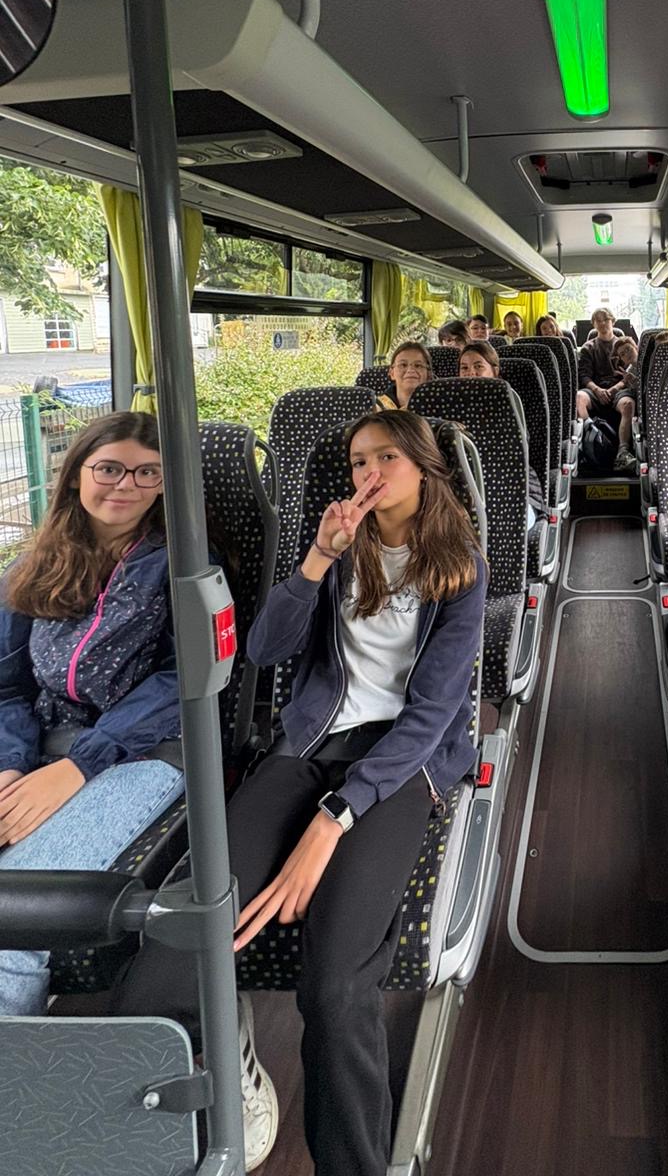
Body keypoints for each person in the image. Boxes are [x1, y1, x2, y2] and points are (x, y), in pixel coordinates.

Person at [114, 409, 486, 1176]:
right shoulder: (340, 550)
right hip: (307, 745)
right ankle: (201, 1082)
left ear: (423, 468)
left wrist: (336, 817)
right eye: (357, 461)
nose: (369, 472)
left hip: (399, 767)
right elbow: (263, 649)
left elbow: (431, 716)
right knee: (174, 950)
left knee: (337, 987)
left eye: (386, 457)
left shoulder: (459, 568)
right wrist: (318, 558)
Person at [0, 413, 188, 1018]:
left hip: (145, 753)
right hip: (38, 745)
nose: (126, 485)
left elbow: (180, 683)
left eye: (148, 473)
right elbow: (7, 688)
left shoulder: (184, 567)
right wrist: (10, 767)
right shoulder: (32, 567)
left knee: (13, 908)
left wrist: (79, 766)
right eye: (109, 468)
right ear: (77, 473)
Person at [458, 342, 548, 530]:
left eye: (478, 366)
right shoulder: (446, 404)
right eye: (464, 368)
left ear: (495, 370)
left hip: (510, 486)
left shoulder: (508, 402)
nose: (470, 372)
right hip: (459, 489)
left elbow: (514, 456)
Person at [575, 307, 620, 424]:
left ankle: (625, 437)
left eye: (606, 319)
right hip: (594, 390)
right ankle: (591, 430)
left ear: (613, 321)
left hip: (619, 390)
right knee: (579, 398)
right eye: (598, 321)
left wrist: (615, 389)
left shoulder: (624, 346)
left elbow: (630, 373)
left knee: (628, 404)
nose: (602, 323)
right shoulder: (587, 348)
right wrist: (596, 390)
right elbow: (584, 375)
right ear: (594, 324)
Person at [610, 335, 639, 474]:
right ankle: (623, 452)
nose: (627, 354)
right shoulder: (629, 371)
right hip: (629, 395)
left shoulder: (652, 363)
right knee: (628, 404)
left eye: (628, 349)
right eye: (622, 354)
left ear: (636, 347)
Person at [375, 341, 432, 410]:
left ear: (428, 374)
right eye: (403, 365)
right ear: (392, 373)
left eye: (418, 365)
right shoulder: (375, 408)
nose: (410, 370)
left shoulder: (438, 405)